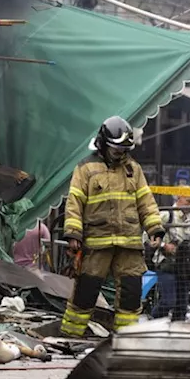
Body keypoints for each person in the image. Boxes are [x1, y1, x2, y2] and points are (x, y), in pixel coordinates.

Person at [60, 116, 165, 336]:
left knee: (131, 294)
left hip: (128, 243)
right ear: (103, 144)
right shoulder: (86, 168)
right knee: (86, 292)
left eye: (124, 150)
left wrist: (154, 227)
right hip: (97, 243)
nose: (121, 154)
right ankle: (70, 335)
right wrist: (73, 234)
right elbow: (74, 203)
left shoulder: (133, 169)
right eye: (117, 150)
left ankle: (126, 340)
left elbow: (146, 201)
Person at [149, 197, 190, 320]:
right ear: (179, 199)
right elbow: (149, 236)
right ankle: (153, 322)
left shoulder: (189, 219)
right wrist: (163, 245)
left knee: (182, 305)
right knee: (169, 301)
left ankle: (176, 332)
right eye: (188, 201)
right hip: (166, 264)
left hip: (183, 265)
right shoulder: (167, 215)